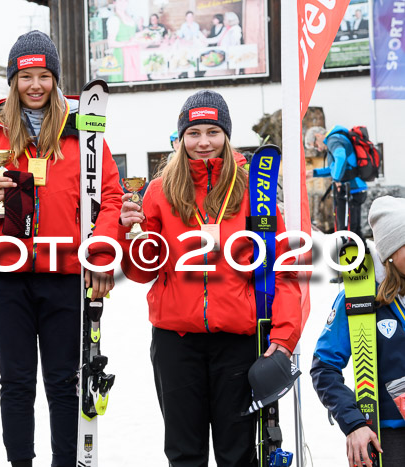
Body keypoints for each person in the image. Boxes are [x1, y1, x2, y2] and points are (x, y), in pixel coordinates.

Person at [0, 31, 122, 467]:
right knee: (15, 381)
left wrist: (102, 253)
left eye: (44, 76)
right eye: (26, 76)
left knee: (62, 380)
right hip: (8, 276)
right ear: (13, 81)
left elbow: (109, 197)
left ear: (55, 79)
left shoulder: (83, 134)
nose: (35, 85)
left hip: (65, 274)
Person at [118, 90, 302, 466]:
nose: (204, 142)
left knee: (237, 454)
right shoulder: (158, 191)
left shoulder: (256, 191)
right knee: (185, 452)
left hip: (237, 341)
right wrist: (130, 234)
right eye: (194, 132)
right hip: (176, 342)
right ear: (181, 138)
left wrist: (283, 338)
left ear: (227, 135)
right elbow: (141, 271)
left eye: (213, 132)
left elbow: (282, 270)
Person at [311, 195, 405, 467]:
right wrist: (353, 423)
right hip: (389, 434)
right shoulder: (360, 299)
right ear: (389, 252)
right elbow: (324, 368)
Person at [304, 125, 368, 239]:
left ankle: (352, 254)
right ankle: (359, 253)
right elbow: (334, 168)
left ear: (317, 136)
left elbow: (341, 157)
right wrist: (313, 173)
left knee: (347, 231)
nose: (318, 149)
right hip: (354, 189)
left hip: (350, 189)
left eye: (315, 145)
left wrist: (337, 180)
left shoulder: (333, 140)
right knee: (353, 230)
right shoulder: (337, 138)